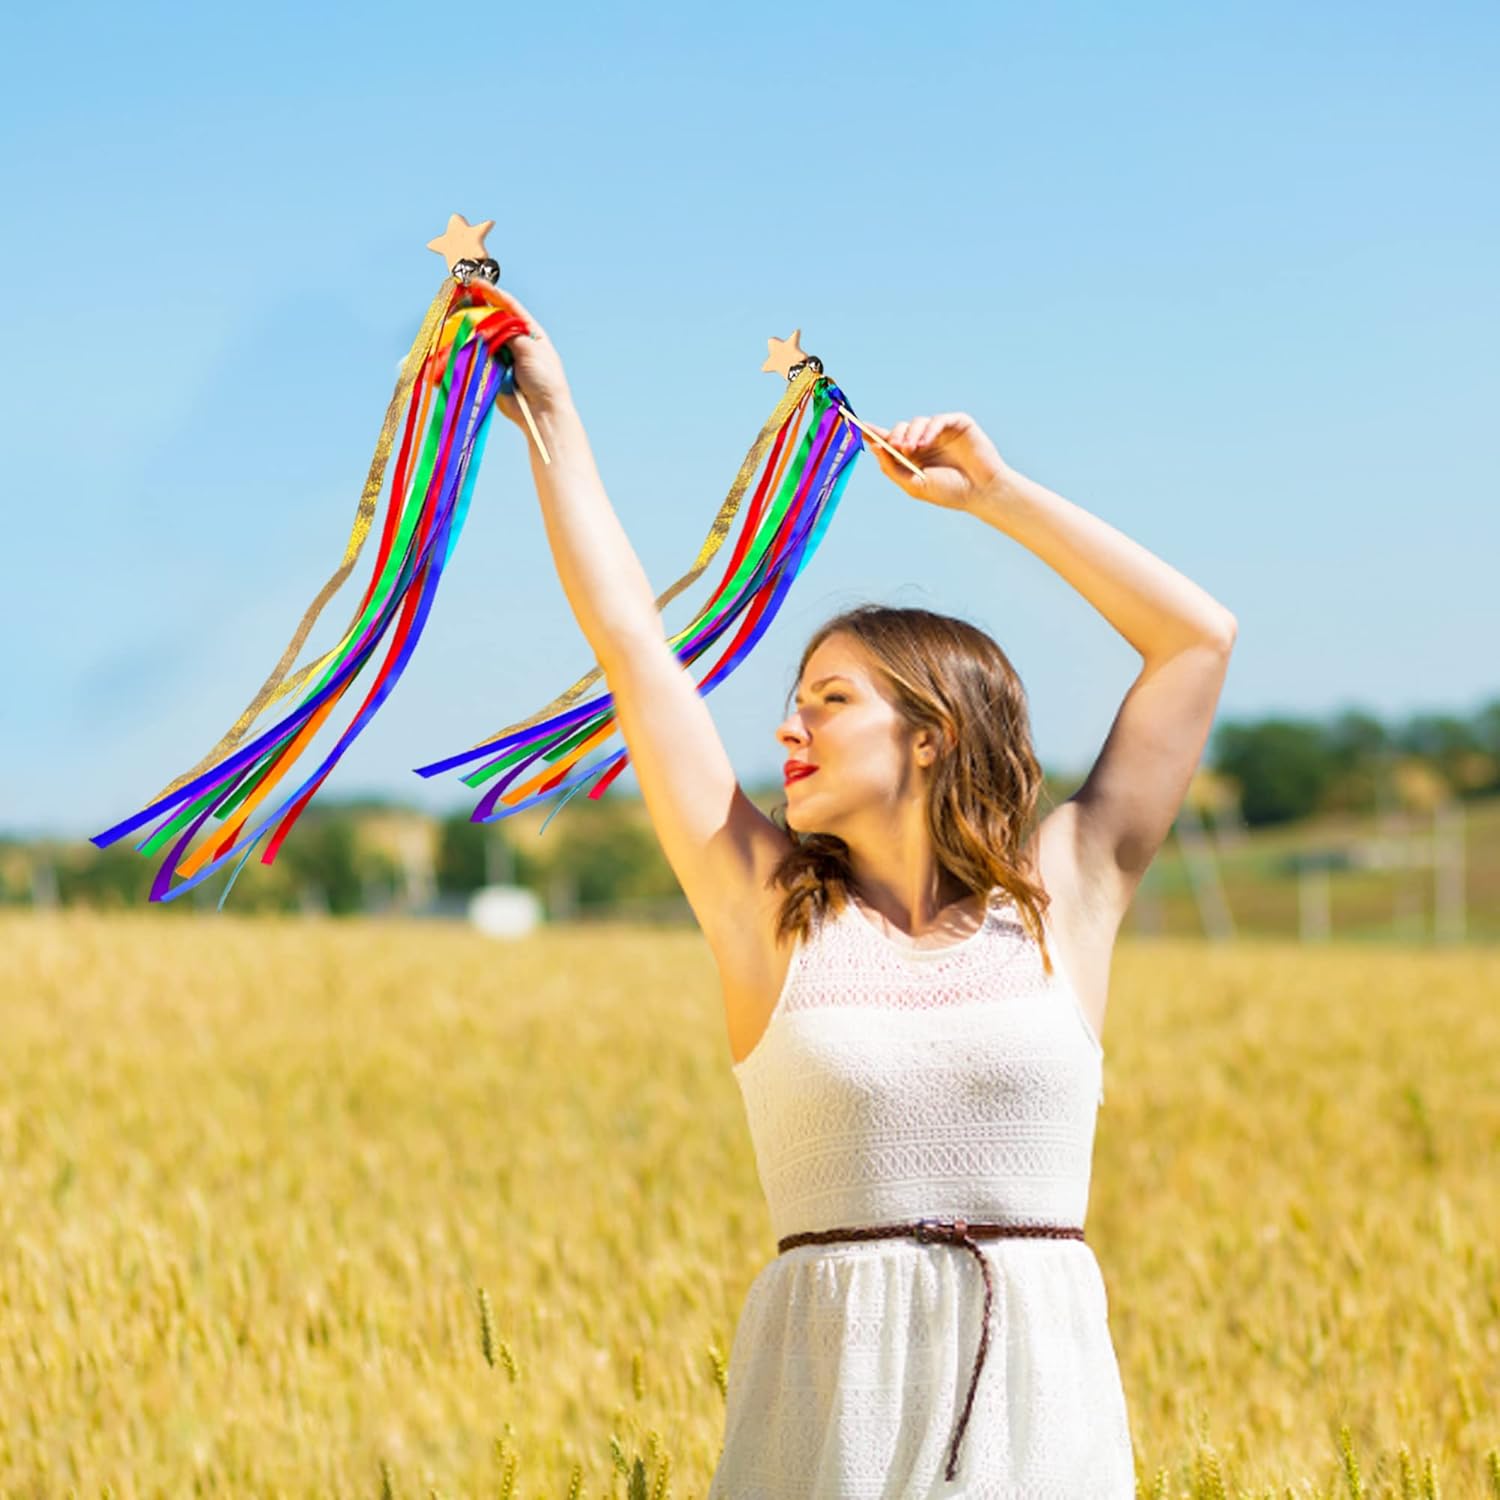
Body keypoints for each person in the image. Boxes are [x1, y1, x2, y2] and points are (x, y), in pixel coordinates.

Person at [492, 292, 1237, 1496]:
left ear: (934, 732)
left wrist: (998, 497)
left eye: (830, 699)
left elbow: (1198, 641)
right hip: (825, 1432)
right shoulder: (765, 908)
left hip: (1041, 1430)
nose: (786, 724)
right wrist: (555, 417)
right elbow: (634, 645)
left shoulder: (1066, 889)